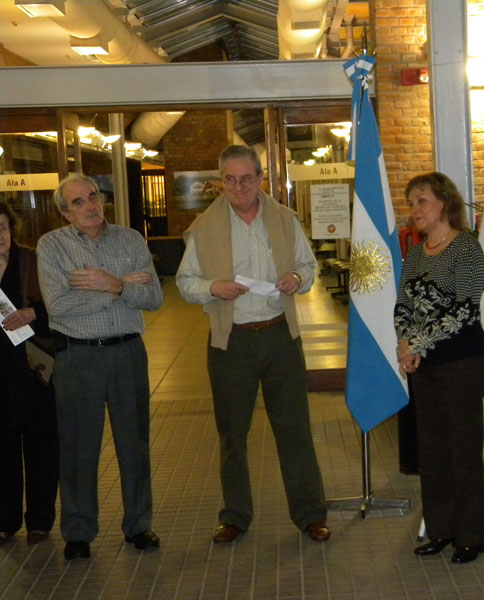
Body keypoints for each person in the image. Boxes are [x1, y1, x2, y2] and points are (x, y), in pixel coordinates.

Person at [176, 145, 329, 544]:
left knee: (294, 429)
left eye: (247, 178)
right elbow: (185, 282)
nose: (239, 187)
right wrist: (213, 288)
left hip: (280, 336)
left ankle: (310, 513)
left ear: (261, 178)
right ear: (221, 182)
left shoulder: (284, 219)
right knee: (232, 435)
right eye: (230, 179)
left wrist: (298, 279)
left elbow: (308, 265)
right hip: (232, 343)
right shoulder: (204, 228)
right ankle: (235, 516)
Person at [37, 174, 163, 560]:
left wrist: (110, 284)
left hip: (127, 353)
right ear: (64, 212)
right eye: (78, 202)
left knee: (134, 444)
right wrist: (122, 287)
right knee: (78, 446)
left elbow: (154, 297)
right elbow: (58, 306)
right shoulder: (52, 246)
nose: (90, 206)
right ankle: (78, 531)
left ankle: (139, 525)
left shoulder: (130, 239)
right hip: (78, 357)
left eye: (93, 197)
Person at [394, 172, 484, 564]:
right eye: (411, 202)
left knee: (462, 448)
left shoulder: (467, 248)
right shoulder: (415, 254)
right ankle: (440, 529)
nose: (414, 209)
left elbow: (465, 308)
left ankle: (470, 535)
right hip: (424, 365)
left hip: (460, 362)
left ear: (445, 204)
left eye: (422, 201)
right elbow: (404, 303)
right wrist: (404, 341)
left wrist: (417, 343)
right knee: (431, 449)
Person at [0, 202, 58, 546]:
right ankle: (5, 521)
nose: (0, 237)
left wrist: (31, 313)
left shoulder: (33, 261)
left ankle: (39, 520)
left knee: (41, 444)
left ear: (13, 230)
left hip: (35, 368)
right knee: (3, 446)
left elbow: (58, 307)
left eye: (4, 228)